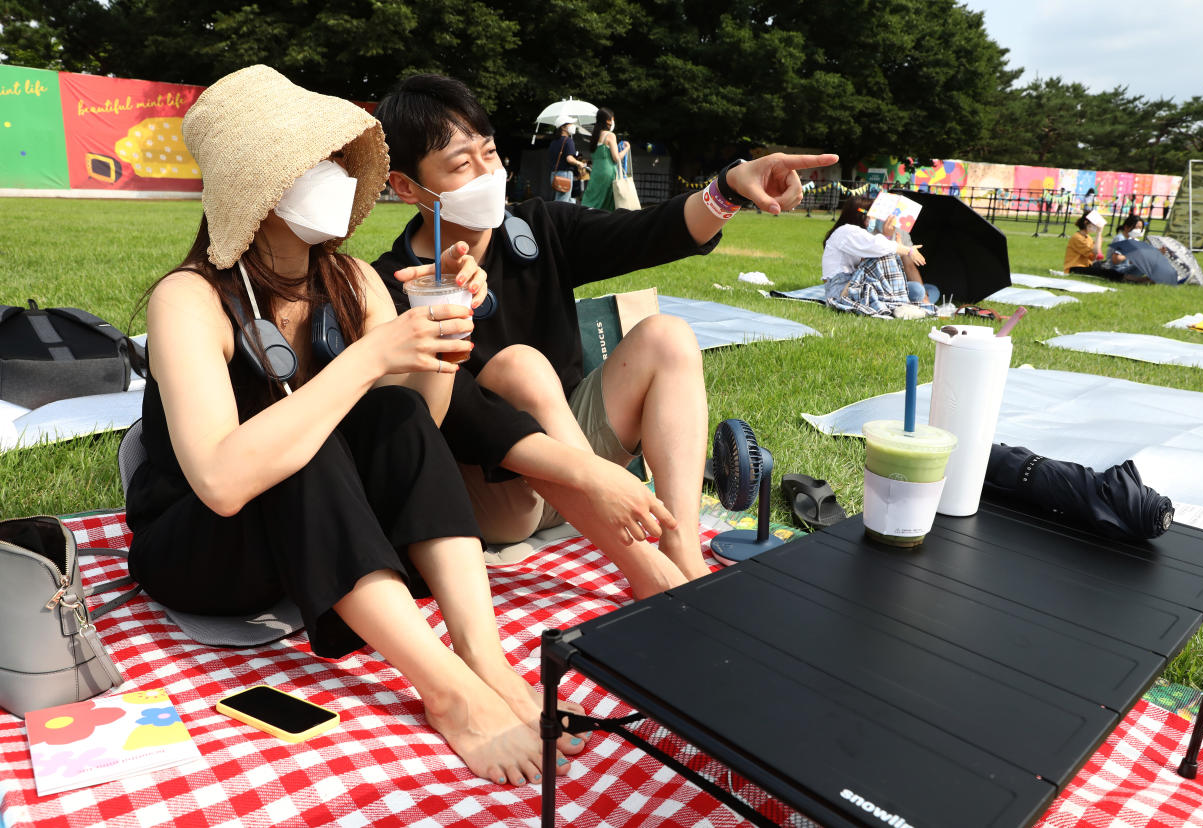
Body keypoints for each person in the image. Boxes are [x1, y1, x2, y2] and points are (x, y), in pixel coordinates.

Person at [125, 65, 584, 788]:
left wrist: (439, 339)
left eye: (343, 158)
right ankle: (449, 691)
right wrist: (371, 354)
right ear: (262, 185)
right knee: (293, 439)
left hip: (311, 534)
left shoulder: (351, 280)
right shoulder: (190, 298)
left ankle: (483, 655)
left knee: (392, 409)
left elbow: (416, 432)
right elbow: (218, 480)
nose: (339, 176)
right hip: (202, 546)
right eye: (319, 162)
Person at [372, 73, 834, 599]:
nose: (487, 174)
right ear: (406, 186)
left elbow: (646, 234)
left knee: (668, 335)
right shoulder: (391, 285)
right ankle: (646, 574)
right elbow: (463, 416)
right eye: (461, 164)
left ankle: (679, 547)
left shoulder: (535, 229)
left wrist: (728, 189)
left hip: (577, 452)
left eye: (491, 153)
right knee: (521, 366)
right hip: (496, 490)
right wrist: (588, 474)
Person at [821, 195, 936, 316]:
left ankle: (898, 303)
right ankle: (898, 305)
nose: (874, 219)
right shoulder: (847, 231)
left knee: (917, 290)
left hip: (858, 282)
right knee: (884, 256)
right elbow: (877, 247)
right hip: (841, 288)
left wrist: (896, 244)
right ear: (862, 214)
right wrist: (907, 250)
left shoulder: (858, 232)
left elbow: (873, 255)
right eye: (872, 215)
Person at [580, 107, 629, 210]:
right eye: (612, 119)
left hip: (596, 173)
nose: (613, 121)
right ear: (607, 120)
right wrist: (627, 149)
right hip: (608, 172)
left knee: (593, 202)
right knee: (607, 206)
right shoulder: (610, 135)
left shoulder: (594, 136)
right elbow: (616, 158)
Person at [546, 115, 585, 203]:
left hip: (554, 174)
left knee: (568, 200)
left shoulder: (553, 142)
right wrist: (579, 163)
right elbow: (569, 159)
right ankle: (556, 216)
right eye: (570, 124)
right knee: (562, 201)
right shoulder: (568, 141)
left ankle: (571, 216)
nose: (573, 126)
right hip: (565, 175)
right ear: (563, 127)